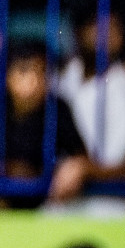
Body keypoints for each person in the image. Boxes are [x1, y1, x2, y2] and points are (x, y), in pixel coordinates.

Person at [56, 9, 125, 179]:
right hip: (57, 201)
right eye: (99, 26)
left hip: (109, 200)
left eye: (115, 27)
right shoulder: (59, 79)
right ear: (79, 31)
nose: (108, 35)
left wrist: (85, 169)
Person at [2, 40, 91, 207]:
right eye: (23, 71)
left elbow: (80, 157)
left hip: (43, 210)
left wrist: (78, 168)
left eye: (42, 71)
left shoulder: (57, 109)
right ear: (7, 75)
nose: (34, 81)